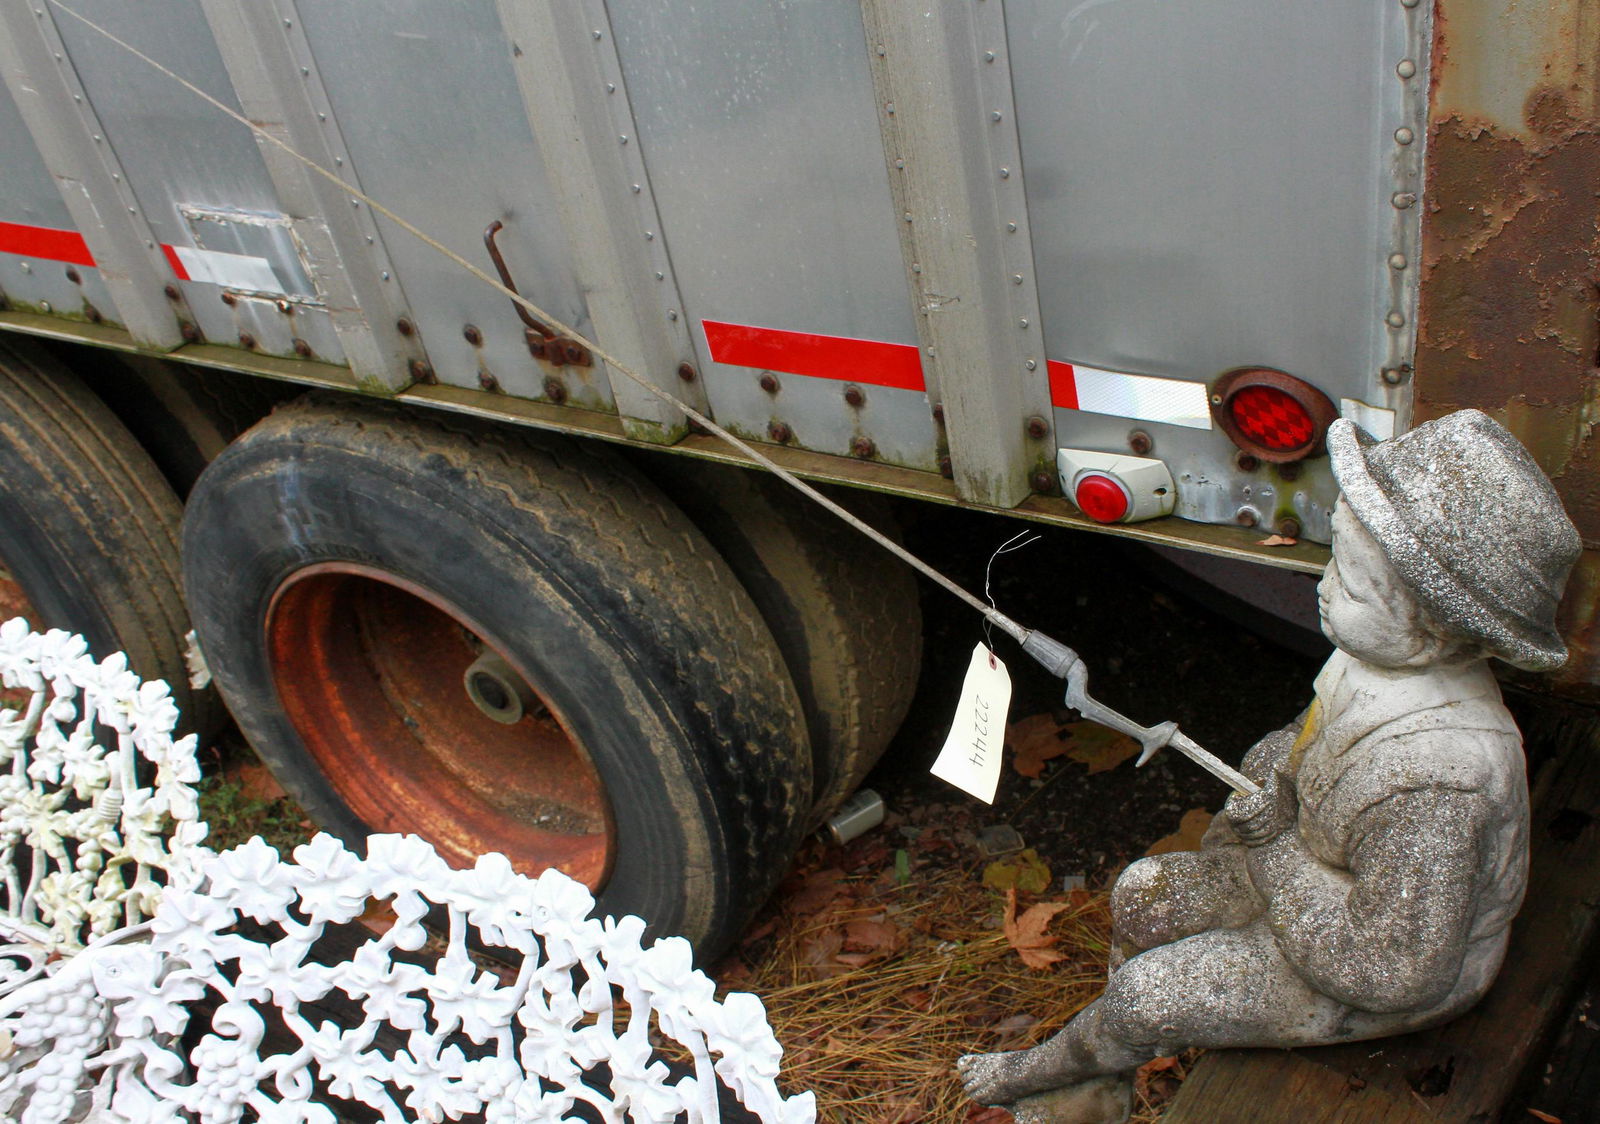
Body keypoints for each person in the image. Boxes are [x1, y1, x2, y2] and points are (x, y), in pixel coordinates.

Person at [958, 409, 1582, 1123]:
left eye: (1349, 579)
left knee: (1149, 994)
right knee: (1144, 893)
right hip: (1311, 868)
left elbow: (1393, 970)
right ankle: (1102, 1079)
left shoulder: (1437, 782)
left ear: (1437, 625)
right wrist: (1277, 763)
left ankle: (1052, 1069)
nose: (1324, 582)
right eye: (1338, 557)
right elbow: (1310, 738)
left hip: (1382, 966)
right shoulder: (1372, 661)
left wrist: (1275, 847)